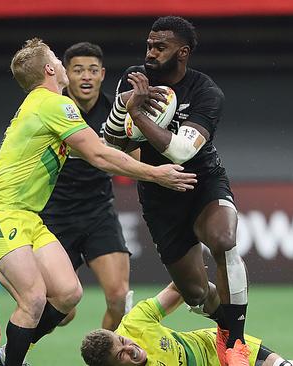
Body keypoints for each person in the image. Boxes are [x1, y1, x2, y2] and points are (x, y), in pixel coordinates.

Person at [0, 38, 196, 366]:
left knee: (67, 294)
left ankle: (11, 355)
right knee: (32, 300)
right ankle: (13, 360)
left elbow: (97, 147)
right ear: (49, 69)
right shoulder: (53, 104)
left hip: (28, 217)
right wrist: (157, 173)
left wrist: (127, 124)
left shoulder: (39, 106)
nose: (63, 65)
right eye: (59, 61)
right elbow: (99, 155)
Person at [104, 16, 249, 365]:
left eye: (160, 47)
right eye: (149, 45)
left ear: (182, 52)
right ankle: (222, 322)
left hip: (202, 180)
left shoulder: (206, 93)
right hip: (159, 194)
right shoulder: (134, 78)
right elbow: (111, 139)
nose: (150, 53)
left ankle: (235, 342)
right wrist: (125, 108)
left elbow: (183, 151)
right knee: (195, 293)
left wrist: (138, 115)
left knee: (223, 240)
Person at [80, 282, 293, 366]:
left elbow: (178, 288)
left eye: (122, 340)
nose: (131, 346)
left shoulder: (135, 322)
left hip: (228, 346)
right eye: (122, 354)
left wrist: (207, 296)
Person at [40, 42, 132, 331]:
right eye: (78, 70)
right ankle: (16, 352)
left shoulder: (115, 113)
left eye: (93, 70)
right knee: (62, 311)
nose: (86, 77)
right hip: (54, 215)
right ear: (66, 74)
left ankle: (103, 356)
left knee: (119, 297)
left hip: (98, 214)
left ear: (103, 74)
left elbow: (133, 156)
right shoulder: (51, 108)